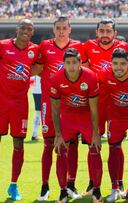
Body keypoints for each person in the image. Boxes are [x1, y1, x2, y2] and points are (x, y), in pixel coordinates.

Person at [0, 19, 39, 201]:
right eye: (23, 27)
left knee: (18, 144)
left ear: (33, 32)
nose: (25, 31)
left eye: (29, 29)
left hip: (20, 104)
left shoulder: (35, 50)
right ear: (17, 29)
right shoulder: (2, 46)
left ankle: (13, 185)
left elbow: (42, 67)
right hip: (1, 102)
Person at [34, 16, 85, 201]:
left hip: (72, 103)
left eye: (64, 28)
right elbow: (36, 68)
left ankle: (70, 184)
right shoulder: (44, 46)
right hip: (50, 101)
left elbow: (85, 70)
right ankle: (45, 186)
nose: (61, 31)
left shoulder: (79, 46)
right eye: (58, 28)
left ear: (70, 29)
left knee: (72, 144)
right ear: (53, 30)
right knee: (48, 144)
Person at [83, 18, 128, 195]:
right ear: (97, 32)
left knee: (116, 144)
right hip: (97, 102)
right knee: (92, 143)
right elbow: (85, 72)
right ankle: (92, 182)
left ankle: (119, 182)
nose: (105, 34)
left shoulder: (124, 48)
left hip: (118, 102)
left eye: (108, 31)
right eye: (101, 31)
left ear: (114, 33)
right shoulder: (87, 46)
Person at [50, 48, 103, 203]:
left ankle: (97, 191)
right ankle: (63, 192)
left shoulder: (90, 77)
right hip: (68, 118)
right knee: (60, 150)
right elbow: (54, 109)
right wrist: (58, 135)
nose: (71, 66)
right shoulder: (56, 78)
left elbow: (94, 109)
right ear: (63, 64)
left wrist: (95, 133)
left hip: (86, 117)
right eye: (68, 63)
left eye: (75, 62)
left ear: (80, 63)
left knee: (95, 149)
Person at [98, 48, 128, 201]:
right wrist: (99, 127)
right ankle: (115, 187)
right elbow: (101, 102)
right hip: (116, 117)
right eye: (115, 64)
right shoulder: (105, 75)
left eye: (122, 64)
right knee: (114, 149)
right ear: (111, 63)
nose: (118, 67)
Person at [31, 75, 42, 141]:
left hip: (37, 90)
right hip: (39, 90)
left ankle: (35, 134)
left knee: (38, 112)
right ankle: (34, 134)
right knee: (39, 112)